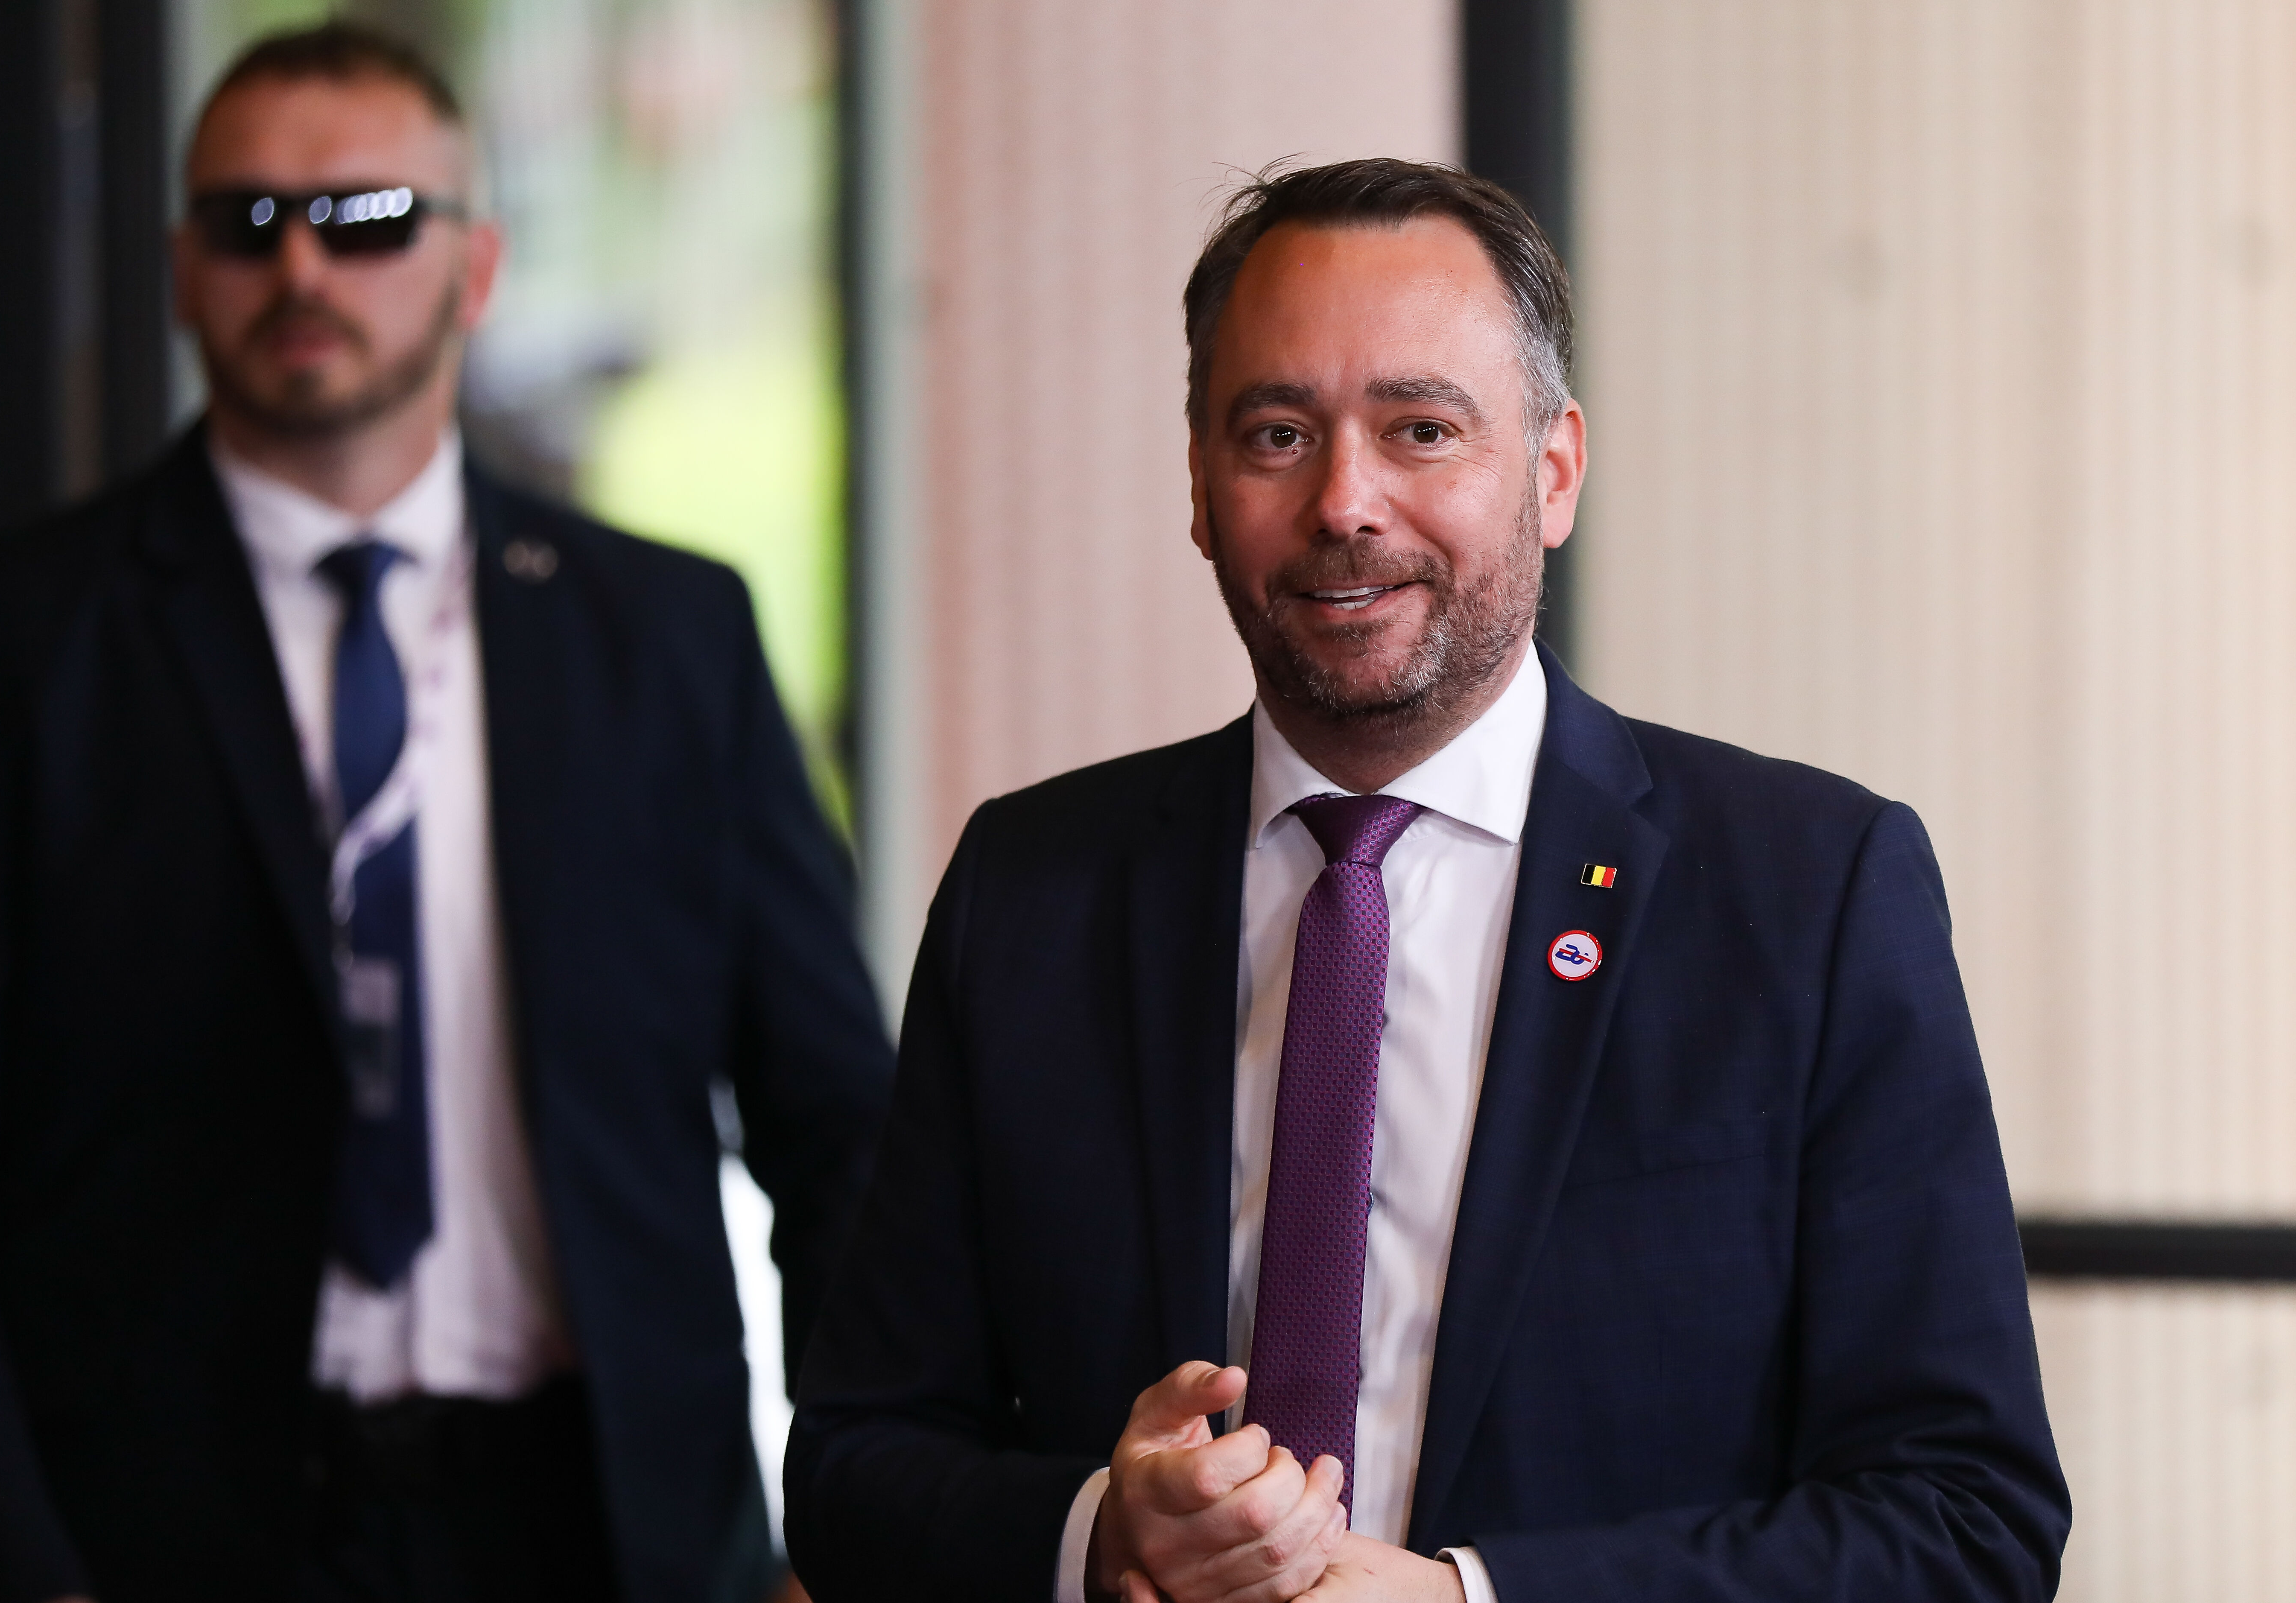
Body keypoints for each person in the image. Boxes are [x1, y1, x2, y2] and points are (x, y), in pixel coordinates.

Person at [784, 158, 2068, 1603]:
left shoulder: (1808, 894)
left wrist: (1468, 1599)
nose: (1346, 501)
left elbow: (1965, 1518)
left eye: (1422, 429)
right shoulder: (1033, 893)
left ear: (1555, 471)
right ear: (1200, 485)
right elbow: (853, 1468)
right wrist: (1099, 1531)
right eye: (1278, 433)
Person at [0, 21, 892, 1603]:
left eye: (364, 220)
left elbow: (838, 1129)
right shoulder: (6, 643)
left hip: (611, 1529)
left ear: (475, 269)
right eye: (247, 222)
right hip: (161, 1538)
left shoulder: (665, 639)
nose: (301, 265)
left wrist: (859, 1529)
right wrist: (16, 1568)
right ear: (182, 269)